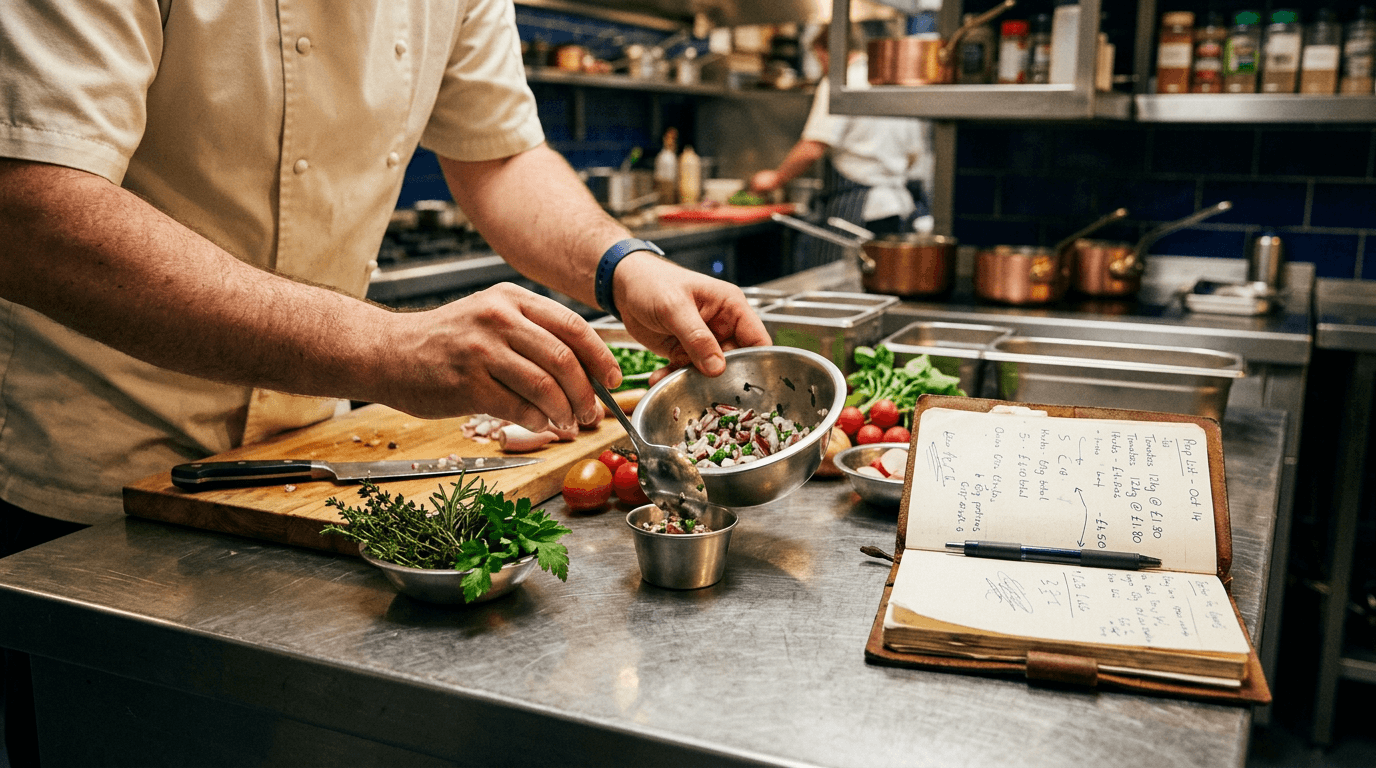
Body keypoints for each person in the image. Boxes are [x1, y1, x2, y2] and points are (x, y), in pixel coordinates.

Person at [0, 2, 768, 764]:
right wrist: (386, 346)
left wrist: (623, 266)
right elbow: (31, 206)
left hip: (314, 479)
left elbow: (500, 156)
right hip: (95, 485)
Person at [750, 27, 933, 270]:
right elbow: (913, 156)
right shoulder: (891, 81)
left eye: (819, 58)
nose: (821, 66)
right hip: (897, 211)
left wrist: (774, 179)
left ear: (827, 52)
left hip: (858, 213)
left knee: (837, 291)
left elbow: (812, 148)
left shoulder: (841, 82)